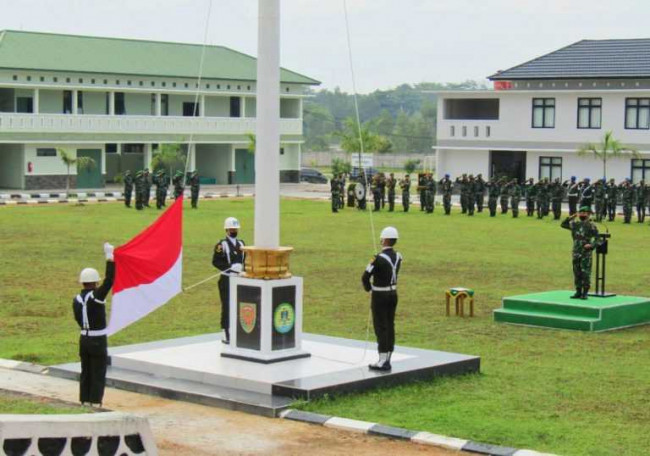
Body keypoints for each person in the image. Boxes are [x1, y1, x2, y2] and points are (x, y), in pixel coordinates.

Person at [73, 242, 115, 406]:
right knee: (98, 371)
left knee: (86, 371)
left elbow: (78, 318)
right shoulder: (96, 297)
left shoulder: (76, 300)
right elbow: (110, 280)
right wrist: (109, 257)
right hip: (98, 340)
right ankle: (96, 402)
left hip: (83, 339)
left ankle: (84, 400)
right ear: (95, 283)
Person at [362, 226, 402, 371]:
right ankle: (388, 357)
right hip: (393, 294)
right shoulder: (399, 256)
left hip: (380, 295)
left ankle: (382, 360)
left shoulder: (377, 259)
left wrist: (369, 289)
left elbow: (365, 277)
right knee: (390, 325)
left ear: (384, 240)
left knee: (380, 326)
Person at [212, 217, 245, 344]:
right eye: (232, 229)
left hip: (239, 279)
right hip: (227, 280)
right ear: (226, 230)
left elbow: (245, 260)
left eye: (235, 229)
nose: (234, 231)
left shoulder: (241, 243)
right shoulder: (222, 245)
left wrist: (243, 269)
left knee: (238, 306)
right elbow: (215, 261)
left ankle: (237, 330)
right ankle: (225, 332)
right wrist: (229, 268)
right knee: (227, 306)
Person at [561, 207, 602, 299]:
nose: (582, 214)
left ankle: (585, 293)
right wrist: (572, 216)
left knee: (585, 273)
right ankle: (578, 291)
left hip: (585, 253)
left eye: (584, 213)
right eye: (581, 212)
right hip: (576, 252)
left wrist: (591, 245)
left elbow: (598, 239)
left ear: (588, 214)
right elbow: (563, 224)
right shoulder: (575, 224)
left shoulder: (591, 225)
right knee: (577, 272)